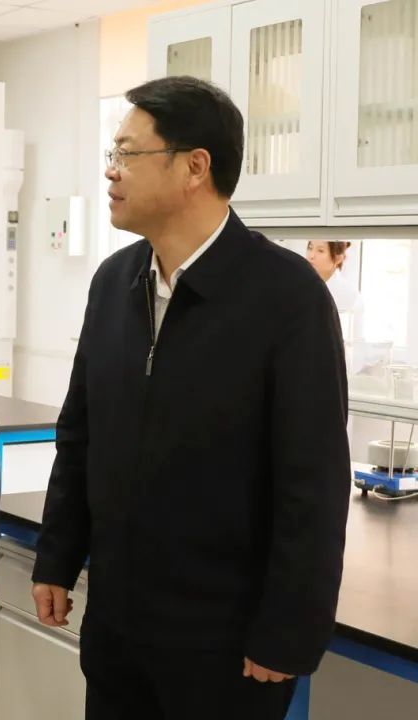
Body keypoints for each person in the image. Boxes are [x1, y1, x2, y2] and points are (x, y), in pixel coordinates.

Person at [29, 75, 351, 720]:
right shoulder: (115, 280)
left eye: (127, 154)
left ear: (195, 167)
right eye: (112, 154)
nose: (111, 171)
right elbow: (81, 434)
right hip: (118, 623)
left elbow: (312, 481)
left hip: (224, 642)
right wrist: (57, 557)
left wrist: (289, 627)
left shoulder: (286, 296)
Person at [306, 241, 365, 358]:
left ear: (338, 258)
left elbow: (354, 345)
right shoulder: (303, 286)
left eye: (320, 251)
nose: (311, 255)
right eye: (310, 248)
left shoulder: (348, 294)